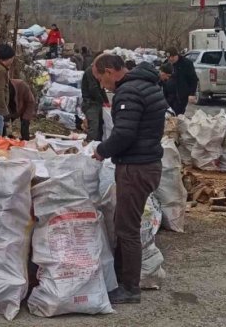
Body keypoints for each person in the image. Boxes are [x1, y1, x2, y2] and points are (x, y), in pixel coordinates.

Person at [91, 54, 168, 304]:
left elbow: (124, 134)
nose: (103, 85)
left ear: (111, 70)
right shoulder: (148, 84)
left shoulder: (128, 92)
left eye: (101, 79)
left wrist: (101, 151)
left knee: (127, 228)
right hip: (148, 163)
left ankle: (130, 288)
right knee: (124, 222)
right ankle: (121, 278)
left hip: (136, 167)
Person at [165, 47, 198, 115]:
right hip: (168, 95)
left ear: (177, 55)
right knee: (167, 115)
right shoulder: (166, 64)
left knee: (176, 115)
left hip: (180, 96)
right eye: (169, 57)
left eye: (172, 57)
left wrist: (192, 94)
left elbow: (193, 79)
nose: (171, 59)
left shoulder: (186, 63)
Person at [81, 56, 107, 142]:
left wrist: (106, 101)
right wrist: (103, 101)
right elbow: (93, 88)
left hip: (97, 102)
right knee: (94, 127)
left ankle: (98, 144)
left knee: (100, 125)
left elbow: (101, 88)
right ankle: (90, 146)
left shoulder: (97, 72)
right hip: (90, 103)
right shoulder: (90, 71)